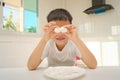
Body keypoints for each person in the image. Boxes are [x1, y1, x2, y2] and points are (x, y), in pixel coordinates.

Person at [27, 8, 97, 70]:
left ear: (70, 28)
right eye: (55, 29)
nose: (60, 34)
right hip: (52, 74)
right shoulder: (48, 43)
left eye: (64, 29)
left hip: (71, 74)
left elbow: (93, 65)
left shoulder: (73, 43)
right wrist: (44, 39)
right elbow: (31, 66)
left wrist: (77, 39)